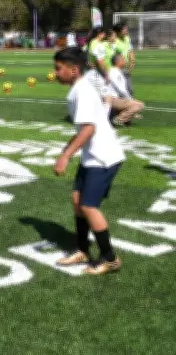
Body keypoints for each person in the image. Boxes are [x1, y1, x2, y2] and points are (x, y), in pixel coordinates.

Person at [52, 47, 125, 275]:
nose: (54, 73)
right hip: (92, 156)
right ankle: (82, 250)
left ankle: (110, 258)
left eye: (58, 69)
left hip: (103, 157)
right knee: (77, 200)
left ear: (74, 70)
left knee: (88, 206)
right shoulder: (78, 89)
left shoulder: (82, 91)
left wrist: (66, 155)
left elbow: (89, 129)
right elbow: (85, 127)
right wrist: (67, 149)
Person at [107, 53, 144, 126]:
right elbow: (121, 90)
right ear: (118, 62)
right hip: (113, 99)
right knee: (139, 105)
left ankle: (120, 118)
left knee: (133, 104)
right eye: (123, 59)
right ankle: (118, 119)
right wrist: (131, 100)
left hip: (114, 98)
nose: (125, 61)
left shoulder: (115, 71)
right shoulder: (115, 73)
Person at [113, 23, 136, 96]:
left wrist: (132, 61)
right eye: (124, 29)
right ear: (118, 32)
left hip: (125, 67)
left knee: (130, 89)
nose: (126, 31)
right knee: (118, 90)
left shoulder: (127, 38)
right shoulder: (113, 40)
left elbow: (130, 50)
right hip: (116, 68)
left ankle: (129, 104)